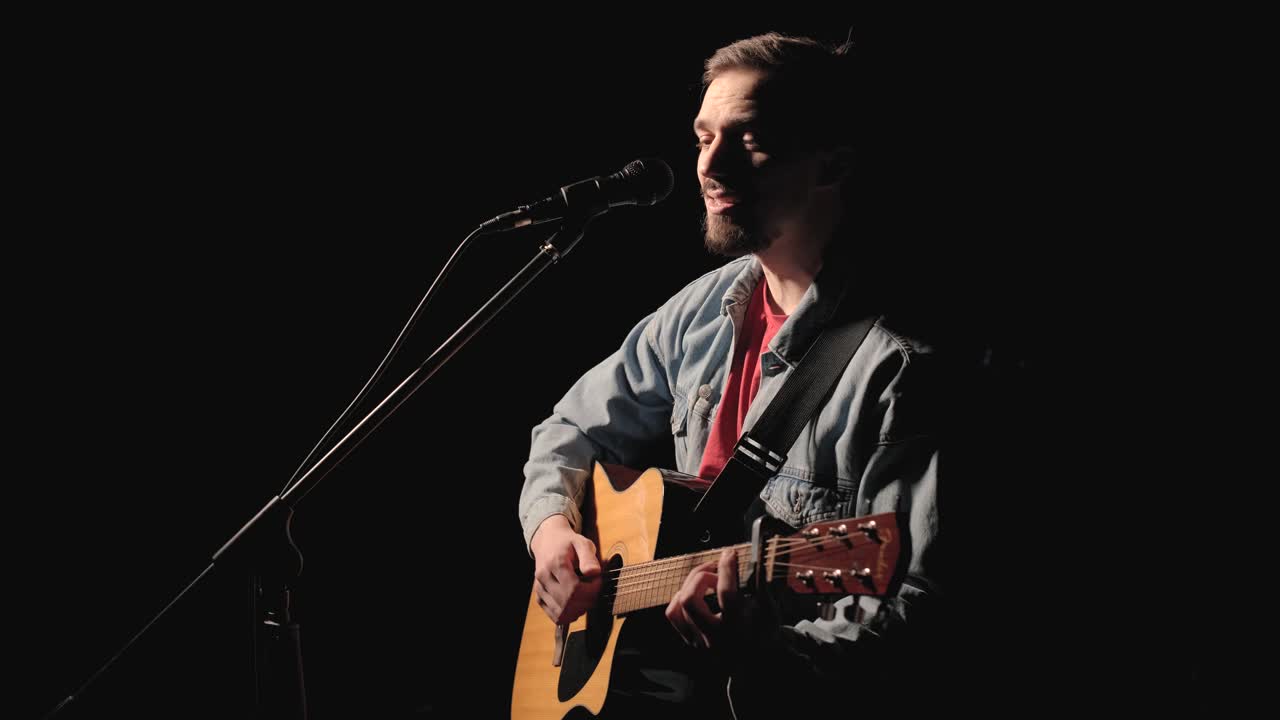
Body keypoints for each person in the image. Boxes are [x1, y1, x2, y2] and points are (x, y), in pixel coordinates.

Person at [517, 31, 953, 718]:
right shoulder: (703, 310)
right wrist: (551, 534)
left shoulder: (902, 367)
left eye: (748, 140)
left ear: (832, 164)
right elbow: (570, 427)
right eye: (702, 136)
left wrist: (768, 657)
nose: (711, 165)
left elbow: (922, 616)